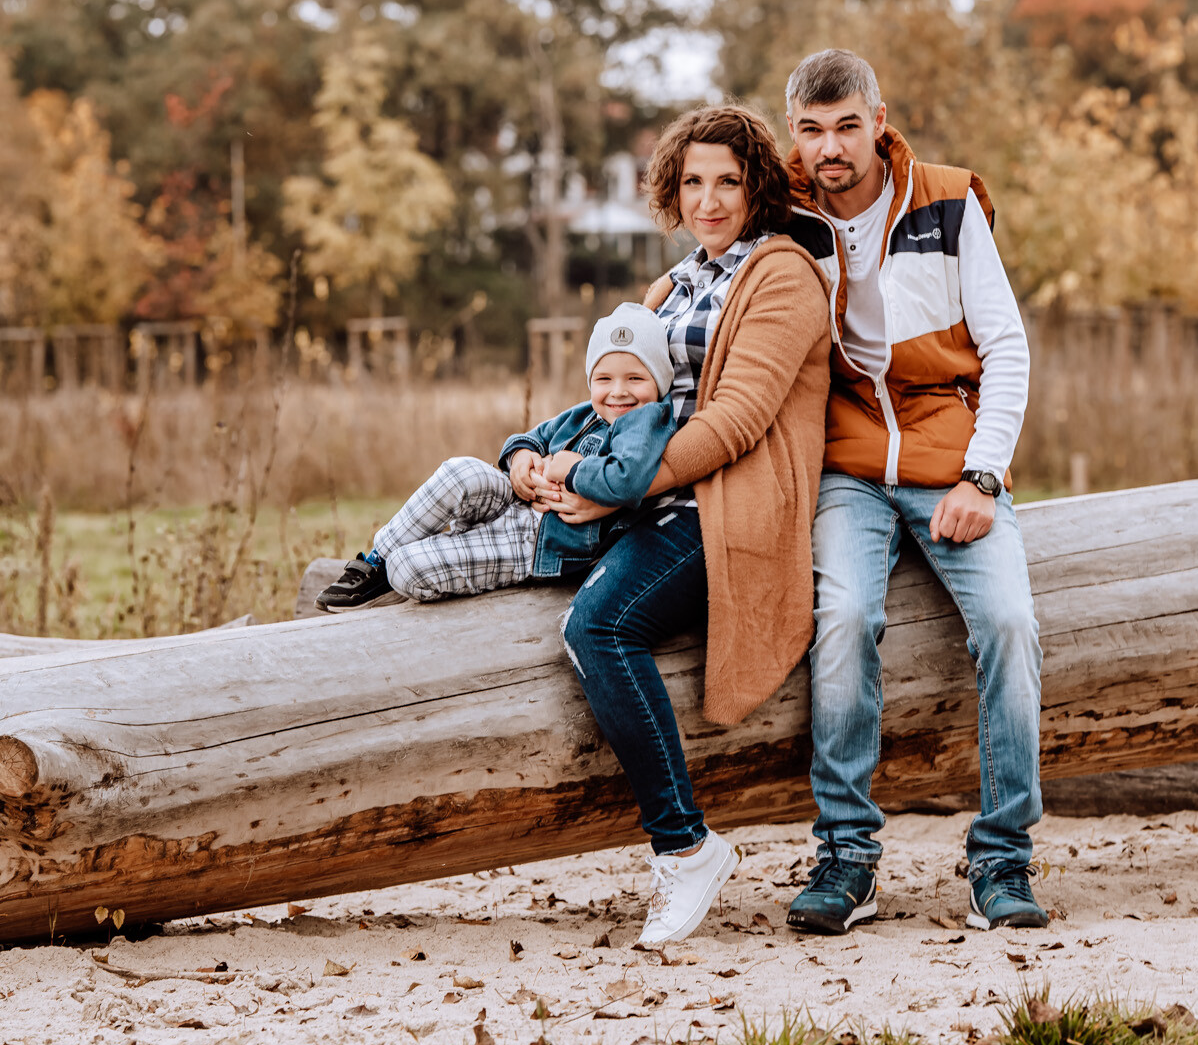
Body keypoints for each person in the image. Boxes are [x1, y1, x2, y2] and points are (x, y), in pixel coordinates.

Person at [549, 104, 831, 950]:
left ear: (757, 189)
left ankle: (685, 847)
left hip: (727, 509)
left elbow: (738, 418)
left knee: (598, 625)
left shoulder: (782, 276)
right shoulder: (673, 286)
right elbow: (620, 400)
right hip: (650, 498)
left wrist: (614, 491)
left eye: (728, 182)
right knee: (485, 522)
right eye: (692, 182)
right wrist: (538, 458)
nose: (708, 200)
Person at [781, 48, 1045, 935]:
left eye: (846, 126)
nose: (830, 147)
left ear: (878, 121)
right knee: (843, 619)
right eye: (812, 130)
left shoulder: (946, 201)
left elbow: (1005, 348)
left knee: (1008, 623)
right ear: (793, 133)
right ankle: (846, 857)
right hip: (846, 465)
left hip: (950, 458)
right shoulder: (781, 217)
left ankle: (1001, 860)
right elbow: (701, 281)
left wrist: (982, 475)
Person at [312, 304, 679, 609]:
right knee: (459, 472)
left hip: (534, 544)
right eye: (604, 379)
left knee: (407, 567)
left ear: (659, 381)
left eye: (635, 379)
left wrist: (573, 469)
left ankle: (397, 573)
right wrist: (520, 459)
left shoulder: (647, 421)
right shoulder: (587, 413)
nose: (618, 391)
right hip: (514, 502)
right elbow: (533, 437)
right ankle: (375, 561)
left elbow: (627, 478)